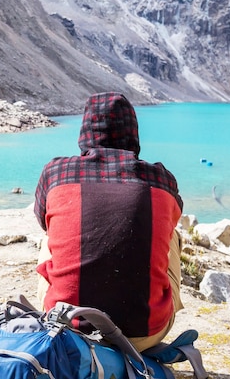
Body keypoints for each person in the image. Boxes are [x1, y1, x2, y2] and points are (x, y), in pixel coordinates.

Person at [34, 91, 183, 352]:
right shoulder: (162, 179)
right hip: (144, 333)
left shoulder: (55, 172)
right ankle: (155, 310)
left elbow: (42, 219)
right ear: (133, 133)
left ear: (85, 131)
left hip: (66, 327)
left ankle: (60, 301)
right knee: (171, 232)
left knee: (50, 232)